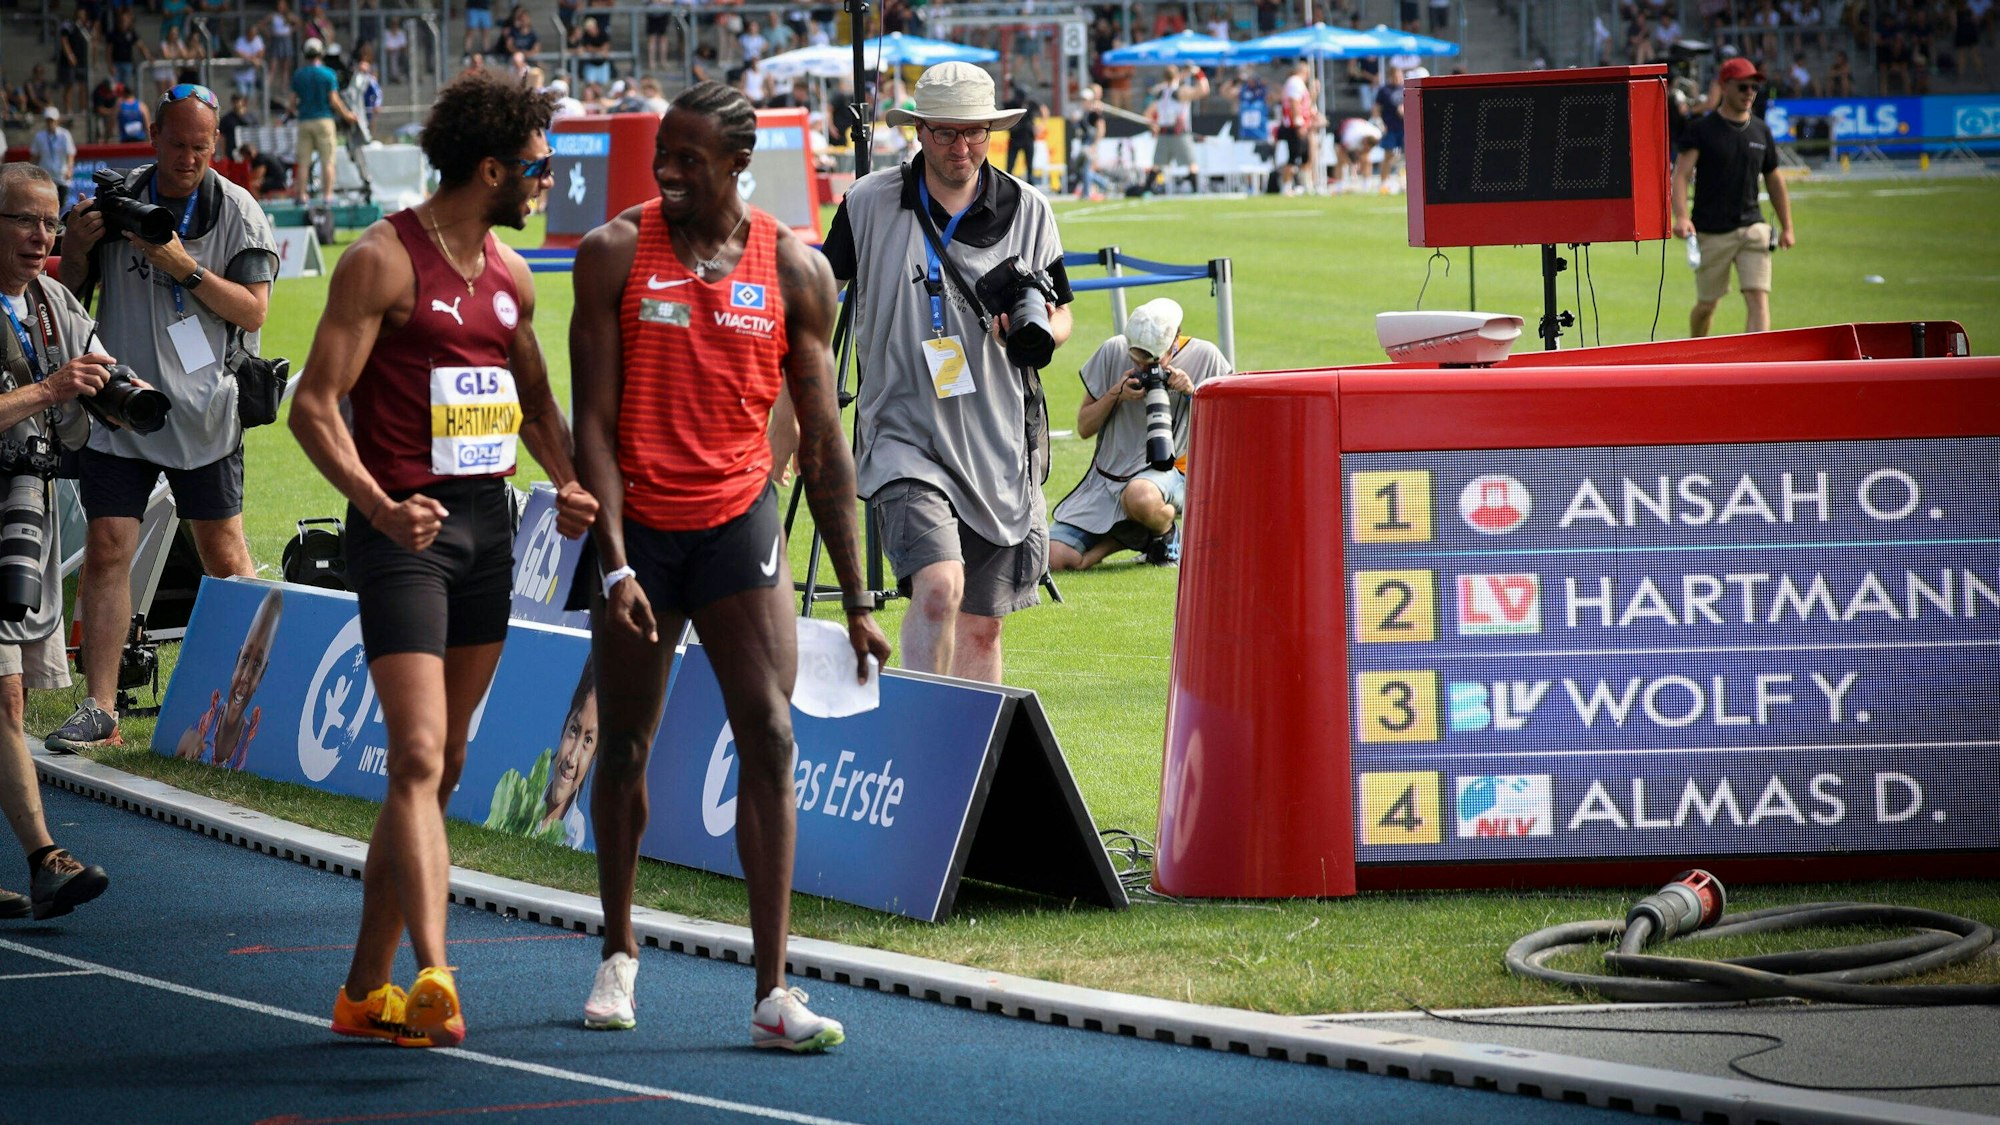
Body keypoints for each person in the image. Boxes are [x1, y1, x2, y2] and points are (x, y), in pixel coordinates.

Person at [570, 81, 890, 1046]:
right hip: (643, 534)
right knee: (625, 743)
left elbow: (827, 448)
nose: (667, 171)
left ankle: (773, 993)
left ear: (738, 162)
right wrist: (616, 561)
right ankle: (619, 954)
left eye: (688, 159)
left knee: (772, 736)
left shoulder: (795, 272)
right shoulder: (615, 254)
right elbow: (591, 422)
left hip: (738, 524)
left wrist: (862, 598)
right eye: (662, 153)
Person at [289, 70, 598, 1049]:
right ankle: (435, 974)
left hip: (486, 530)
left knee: (440, 765)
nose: (549, 181)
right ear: (491, 166)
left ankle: (357, 992)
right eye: (540, 166)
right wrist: (379, 507)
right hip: (400, 535)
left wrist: (571, 480)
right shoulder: (380, 261)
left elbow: (538, 405)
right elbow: (312, 405)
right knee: (417, 754)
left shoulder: (511, 278)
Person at [822, 62, 1075, 683]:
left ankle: (963, 770)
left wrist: (1035, 325)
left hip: (997, 440)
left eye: (973, 133)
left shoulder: (1029, 209)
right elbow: (818, 289)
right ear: (918, 132)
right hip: (902, 433)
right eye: (945, 134)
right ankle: (918, 735)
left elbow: (1063, 313)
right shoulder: (869, 202)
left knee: (983, 631)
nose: (961, 148)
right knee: (938, 587)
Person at [50, 83, 280, 755]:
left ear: (218, 147)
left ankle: (256, 705)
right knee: (109, 548)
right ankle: (98, 707)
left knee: (224, 555)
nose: (188, 159)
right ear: (153, 136)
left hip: (206, 411)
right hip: (121, 402)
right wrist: (79, 244)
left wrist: (181, 265)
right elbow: (65, 295)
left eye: (202, 148)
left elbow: (255, 311)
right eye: (177, 145)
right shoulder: (118, 202)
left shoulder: (238, 212)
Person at [0, 163, 115, 923]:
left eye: (50, 222)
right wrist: (48, 388)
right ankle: (46, 856)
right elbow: (47, 393)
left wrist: (108, 386)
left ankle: (41, 860)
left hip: (22, 513)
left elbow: (92, 379)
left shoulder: (52, 300)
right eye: (23, 220)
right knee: (3, 699)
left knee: (5, 700)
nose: (40, 236)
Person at [1048, 299, 1229, 571]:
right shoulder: (1112, 350)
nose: (1143, 369)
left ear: (1175, 342)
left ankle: (1165, 531)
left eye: (1152, 361)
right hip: (1107, 480)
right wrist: (1115, 394)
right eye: (1136, 359)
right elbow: (1084, 427)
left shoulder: (1206, 356)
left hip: (1170, 476)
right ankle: (1138, 537)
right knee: (1053, 559)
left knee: (1140, 496)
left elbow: (1228, 431)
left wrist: (1193, 393)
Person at [1672, 56, 1795, 337]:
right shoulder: (1702, 130)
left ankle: (1755, 372)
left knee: (1758, 299)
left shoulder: (1761, 130)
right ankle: (1696, 353)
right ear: (1724, 87)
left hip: (1753, 228)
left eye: (1754, 87)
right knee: (1706, 306)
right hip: (1712, 231)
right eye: (1743, 87)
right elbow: (1680, 175)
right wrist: (1681, 216)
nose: (1749, 93)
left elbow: (1774, 178)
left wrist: (1787, 226)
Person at [483, 655, 597, 847]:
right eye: (574, 730)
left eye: (588, 740)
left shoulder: (577, 834)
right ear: (564, 727)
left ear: (594, 755)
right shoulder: (518, 799)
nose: (572, 758)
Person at [174, 586, 281, 769]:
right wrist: (184, 745)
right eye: (245, 659)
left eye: (256, 665)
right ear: (236, 661)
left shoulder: (247, 742)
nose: (246, 677)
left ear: (261, 676)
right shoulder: (205, 722)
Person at [292, 39, 356, 207]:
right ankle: (327, 196)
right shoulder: (328, 74)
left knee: (304, 161)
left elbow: (292, 103)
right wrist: (347, 115)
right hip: (324, 120)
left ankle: (302, 195)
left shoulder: (299, 75)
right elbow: (334, 100)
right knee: (328, 160)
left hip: (304, 120)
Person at [1145, 63, 1210, 193]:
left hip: (1163, 133)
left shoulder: (1160, 93)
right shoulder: (1180, 92)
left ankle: (1147, 190)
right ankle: (1196, 191)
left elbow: (1147, 114)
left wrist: (1153, 126)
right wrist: (1198, 73)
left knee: (1157, 165)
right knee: (1191, 164)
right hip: (1179, 133)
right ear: (1177, 76)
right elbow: (1204, 90)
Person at [28, 109, 77, 212]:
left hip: (61, 175)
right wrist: (30, 172)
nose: (50, 123)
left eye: (52, 120)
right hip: (46, 176)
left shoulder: (65, 135)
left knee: (61, 203)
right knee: (46, 203)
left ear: (57, 121)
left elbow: (70, 154)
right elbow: (35, 156)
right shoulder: (39, 136)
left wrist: (69, 169)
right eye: (48, 121)